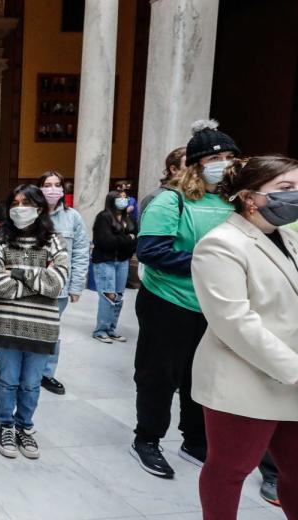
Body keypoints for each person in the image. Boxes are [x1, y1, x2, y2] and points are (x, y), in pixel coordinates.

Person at [192, 155, 298, 518]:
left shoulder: (286, 237)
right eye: (286, 188)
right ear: (250, 197)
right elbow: (235, 321)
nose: (296, 196)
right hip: (244, 380)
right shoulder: (221, 244)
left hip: (290, 378)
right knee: (230, 470)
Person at [132, 119, 239, 478]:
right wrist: (208, 263)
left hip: (214, 306)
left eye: (229, 157)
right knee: (159, 375)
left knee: (202, 377)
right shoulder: (170, 201)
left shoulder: (233, 202)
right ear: (196, 164)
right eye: (216, 157)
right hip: (169, 302)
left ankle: (195, 440)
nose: (223, 163)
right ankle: (146, 439)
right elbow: (151, 251)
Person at [0, 184, 69, 460]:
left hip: (42, 325)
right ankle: (6, 425)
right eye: (15, 202)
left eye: (26, 203)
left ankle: (25, 427)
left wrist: (18, 272)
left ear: (39, 208)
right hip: (6, 323)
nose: (20, 209)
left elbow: (57, 283)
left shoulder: (53, 240)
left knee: (32, 383)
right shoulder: (0, 238)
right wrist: (38, 278)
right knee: (8, 380)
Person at [36, 171, 89, 396]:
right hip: (31, 284)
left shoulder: (73, 217)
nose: (53, 189)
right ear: (39, 188)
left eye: (57, 185)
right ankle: (28, 370)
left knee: (51, 331)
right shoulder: (30, 214)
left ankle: (46, 373)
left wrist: (77, 286)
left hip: (59, 286)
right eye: (47, 185)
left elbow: (80, 252)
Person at [91, 191, 138, 343]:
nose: (124, 200)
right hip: (105, 261)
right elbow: (105, 242)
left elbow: (135, 239)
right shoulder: (103, 217)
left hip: (123, 261)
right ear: (112, 200)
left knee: (118, 296)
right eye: (120, 197)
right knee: (108, 296)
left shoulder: (128, 218)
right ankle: (101, 330)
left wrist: (125, 240)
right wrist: (127, 239)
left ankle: (111, 329)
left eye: (125, 197)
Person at [140, 147, 186, 214]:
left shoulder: (198, 197)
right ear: (174, 169)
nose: (195, 170)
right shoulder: (155, 198)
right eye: (189, 165)